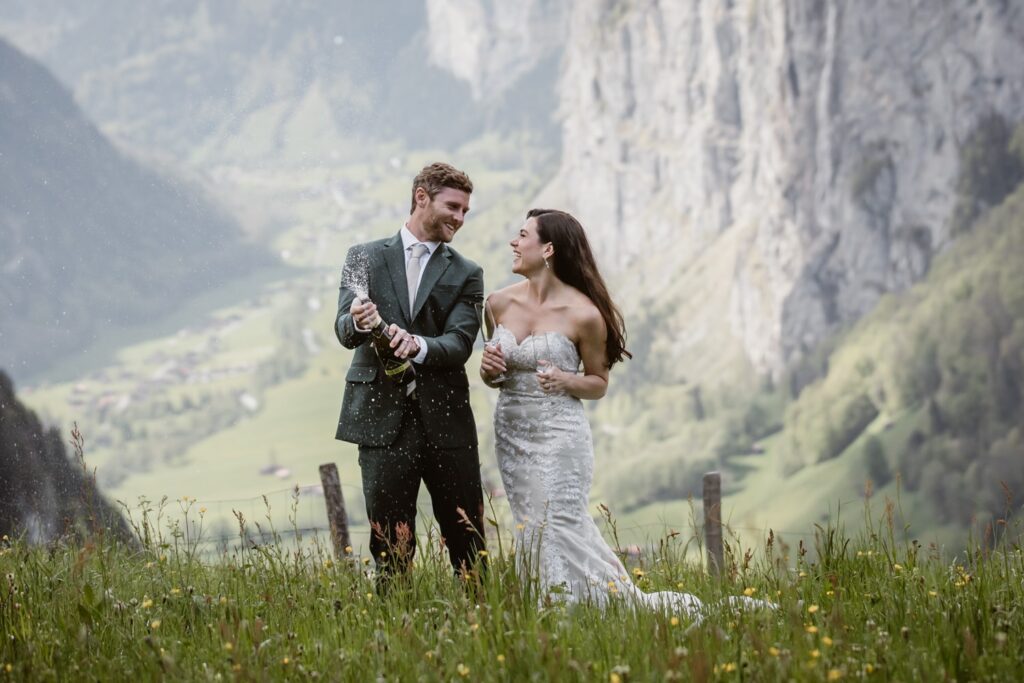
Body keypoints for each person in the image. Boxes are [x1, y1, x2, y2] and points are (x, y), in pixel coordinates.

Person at [480, 209, 768, 619]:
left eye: (522, 235)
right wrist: (489, 371)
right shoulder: (497, 303)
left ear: (547, 249)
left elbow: (598, 382)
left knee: (560, 522)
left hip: (560, 437)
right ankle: (551, 608)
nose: (513, 241)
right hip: (512, 435)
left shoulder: (584, 314)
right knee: (531, 525)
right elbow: (494, 373)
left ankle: (593, 608)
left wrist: (564, 379)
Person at [334, 162, 486, 588]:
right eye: (453, 207)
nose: (459, 218)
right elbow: (343, 330)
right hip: (381, 422)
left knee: (468, 541)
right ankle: (395, 629)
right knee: (390, 547)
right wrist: (360, 321)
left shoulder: (467, 273)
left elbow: (460, 343)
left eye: (465, 211)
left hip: (447, 423)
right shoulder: (362, 256)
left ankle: (485, 625)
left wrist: (416, 344)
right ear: (422, 197)